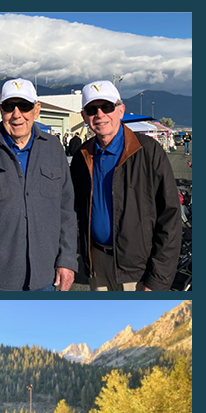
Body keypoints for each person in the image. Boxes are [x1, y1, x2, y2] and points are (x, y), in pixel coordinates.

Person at [0, 78, 77, 291]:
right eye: (10, 107)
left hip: (45, 277)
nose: (17, 114)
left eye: (25, 106)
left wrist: (67, 259)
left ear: (36, 110)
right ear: (1, 110)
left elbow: (66, 212)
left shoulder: (54, 149)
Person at [71, 81, 182, 291]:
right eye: (92, 109)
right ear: (84, 116)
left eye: (107, 107)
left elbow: (170, 217)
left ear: (120, 110)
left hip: (139, 269)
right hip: (98, 265)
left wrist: (158, 278)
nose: (100, 114)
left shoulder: (148, 151)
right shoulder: (82, 157)